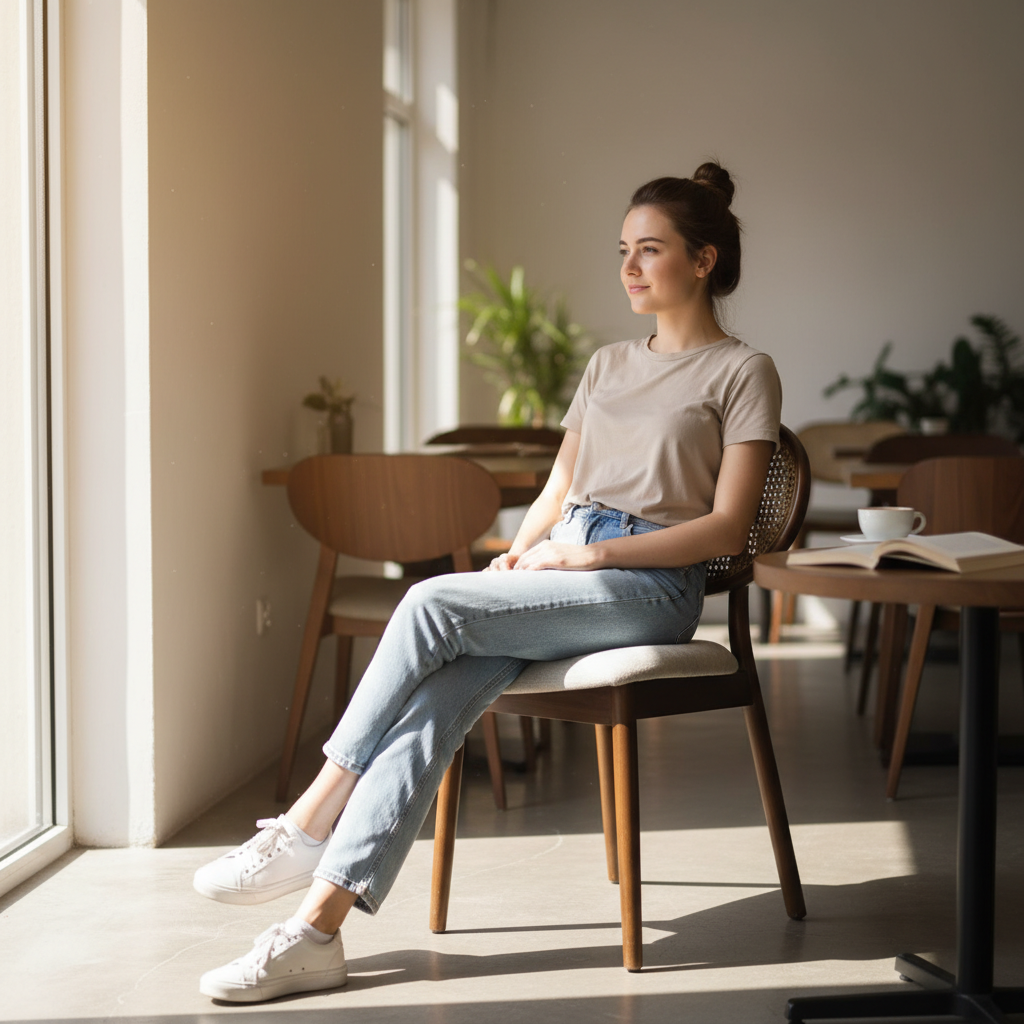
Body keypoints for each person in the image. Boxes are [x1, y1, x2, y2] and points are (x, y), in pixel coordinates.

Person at [194, 160, 782, 1002]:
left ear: (704, 260)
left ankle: (307, 819)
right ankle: (315, 932)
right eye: (623, 249)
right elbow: (558, 489)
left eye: (651, 250)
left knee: (427, 601)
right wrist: (521, 551)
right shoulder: (609, 364)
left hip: (649, 586)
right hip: (568, 562)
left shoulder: (742, 371)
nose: (629, 267)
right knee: (439, 700)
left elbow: (726, 529)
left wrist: (593, 556)